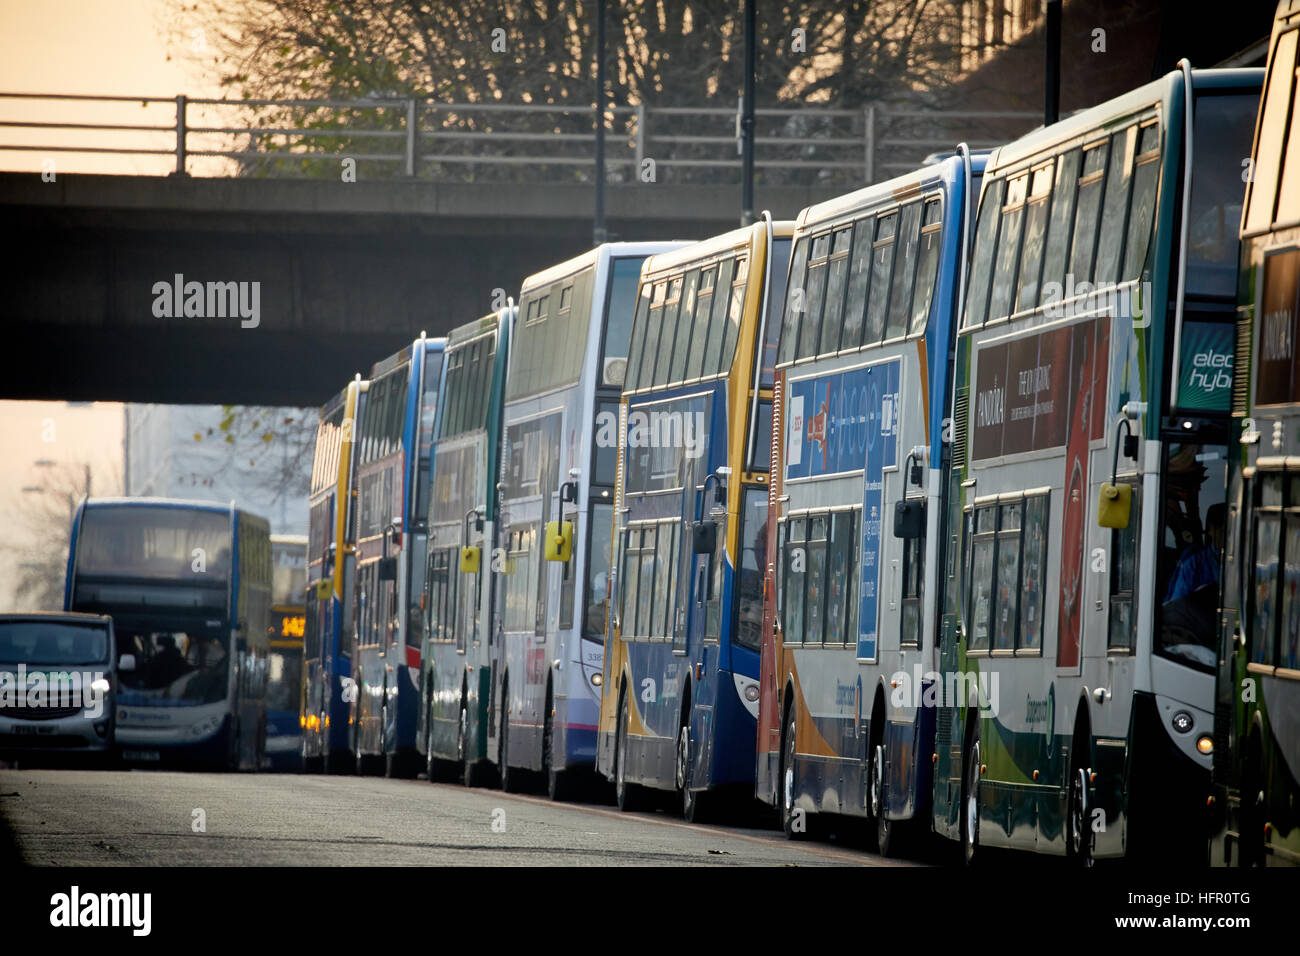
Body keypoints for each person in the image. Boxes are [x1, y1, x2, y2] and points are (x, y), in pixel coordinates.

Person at [1165, 502, 1226, 603]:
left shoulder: (1245, 565)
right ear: (1211, 529)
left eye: (1233, 531)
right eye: (1223, 530)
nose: (1229, 537)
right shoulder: (1193, 565)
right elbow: (1176, 607)